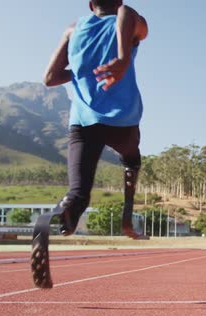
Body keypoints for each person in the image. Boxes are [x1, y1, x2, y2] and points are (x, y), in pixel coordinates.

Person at [32, 0, 148, 288]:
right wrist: (122, 58)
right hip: (123, 120)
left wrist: (79, 73)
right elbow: (129, 16)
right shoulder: (130, 18)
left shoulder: (73, 29)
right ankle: (126, 219)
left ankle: (62, 214)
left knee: (78, 193)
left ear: (90, 3)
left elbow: (49, 78)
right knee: (132, 157)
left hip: (83, 122)